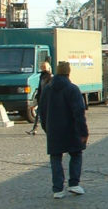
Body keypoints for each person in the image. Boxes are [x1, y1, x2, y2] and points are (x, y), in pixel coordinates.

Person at [38, 61, 89, 199]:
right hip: (71, 129)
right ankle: (74, 184)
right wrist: (83, 132)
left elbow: (41, 111)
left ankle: (58, 189)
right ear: (68, 73)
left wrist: (46, 128)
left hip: (53, 130)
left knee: (55, 158)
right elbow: (79, 113)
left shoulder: (48, 89)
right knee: (76, 154)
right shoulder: (73, 89)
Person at [27, 62, 54, 135]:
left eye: (43, 67)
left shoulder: (50, 77)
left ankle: (47, 129)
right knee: (39, 115)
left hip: (46, 99)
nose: (43, 69)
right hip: (42, 98)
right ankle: (35, 129)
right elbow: (40, 88)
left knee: (44, 116)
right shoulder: (42, 76)